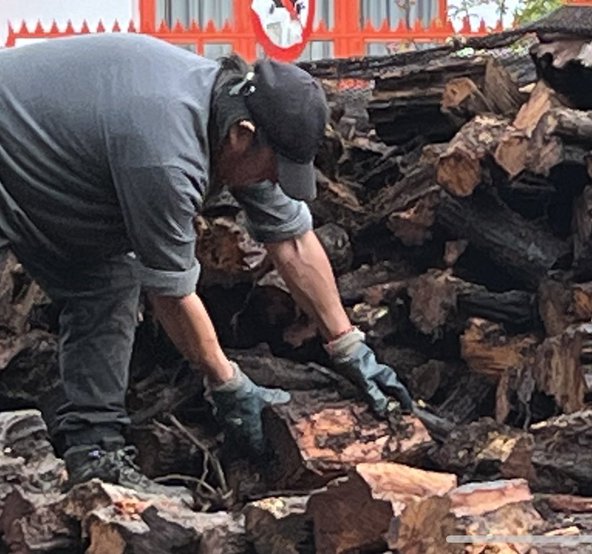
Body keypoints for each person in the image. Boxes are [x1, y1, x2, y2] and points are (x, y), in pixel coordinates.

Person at [0, 33, 414, 496]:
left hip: (56, 159)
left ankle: (96, 455)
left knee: (105, 282)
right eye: (273, 170)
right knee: (113, 279)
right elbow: (171, 293)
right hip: (14, 139)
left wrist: (348, 344)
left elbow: (294, 241)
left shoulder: (239, 121)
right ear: (243, 137)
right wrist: (227, 381)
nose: (272, 183)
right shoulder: (166, 157)